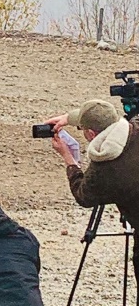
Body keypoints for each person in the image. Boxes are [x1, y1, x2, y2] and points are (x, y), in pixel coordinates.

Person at [46, 99, 139, 293]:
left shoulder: (105, 167)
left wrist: (69, 158)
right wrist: (69, 118)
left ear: (90, 134)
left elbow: (83, 196)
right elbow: (105, 116)